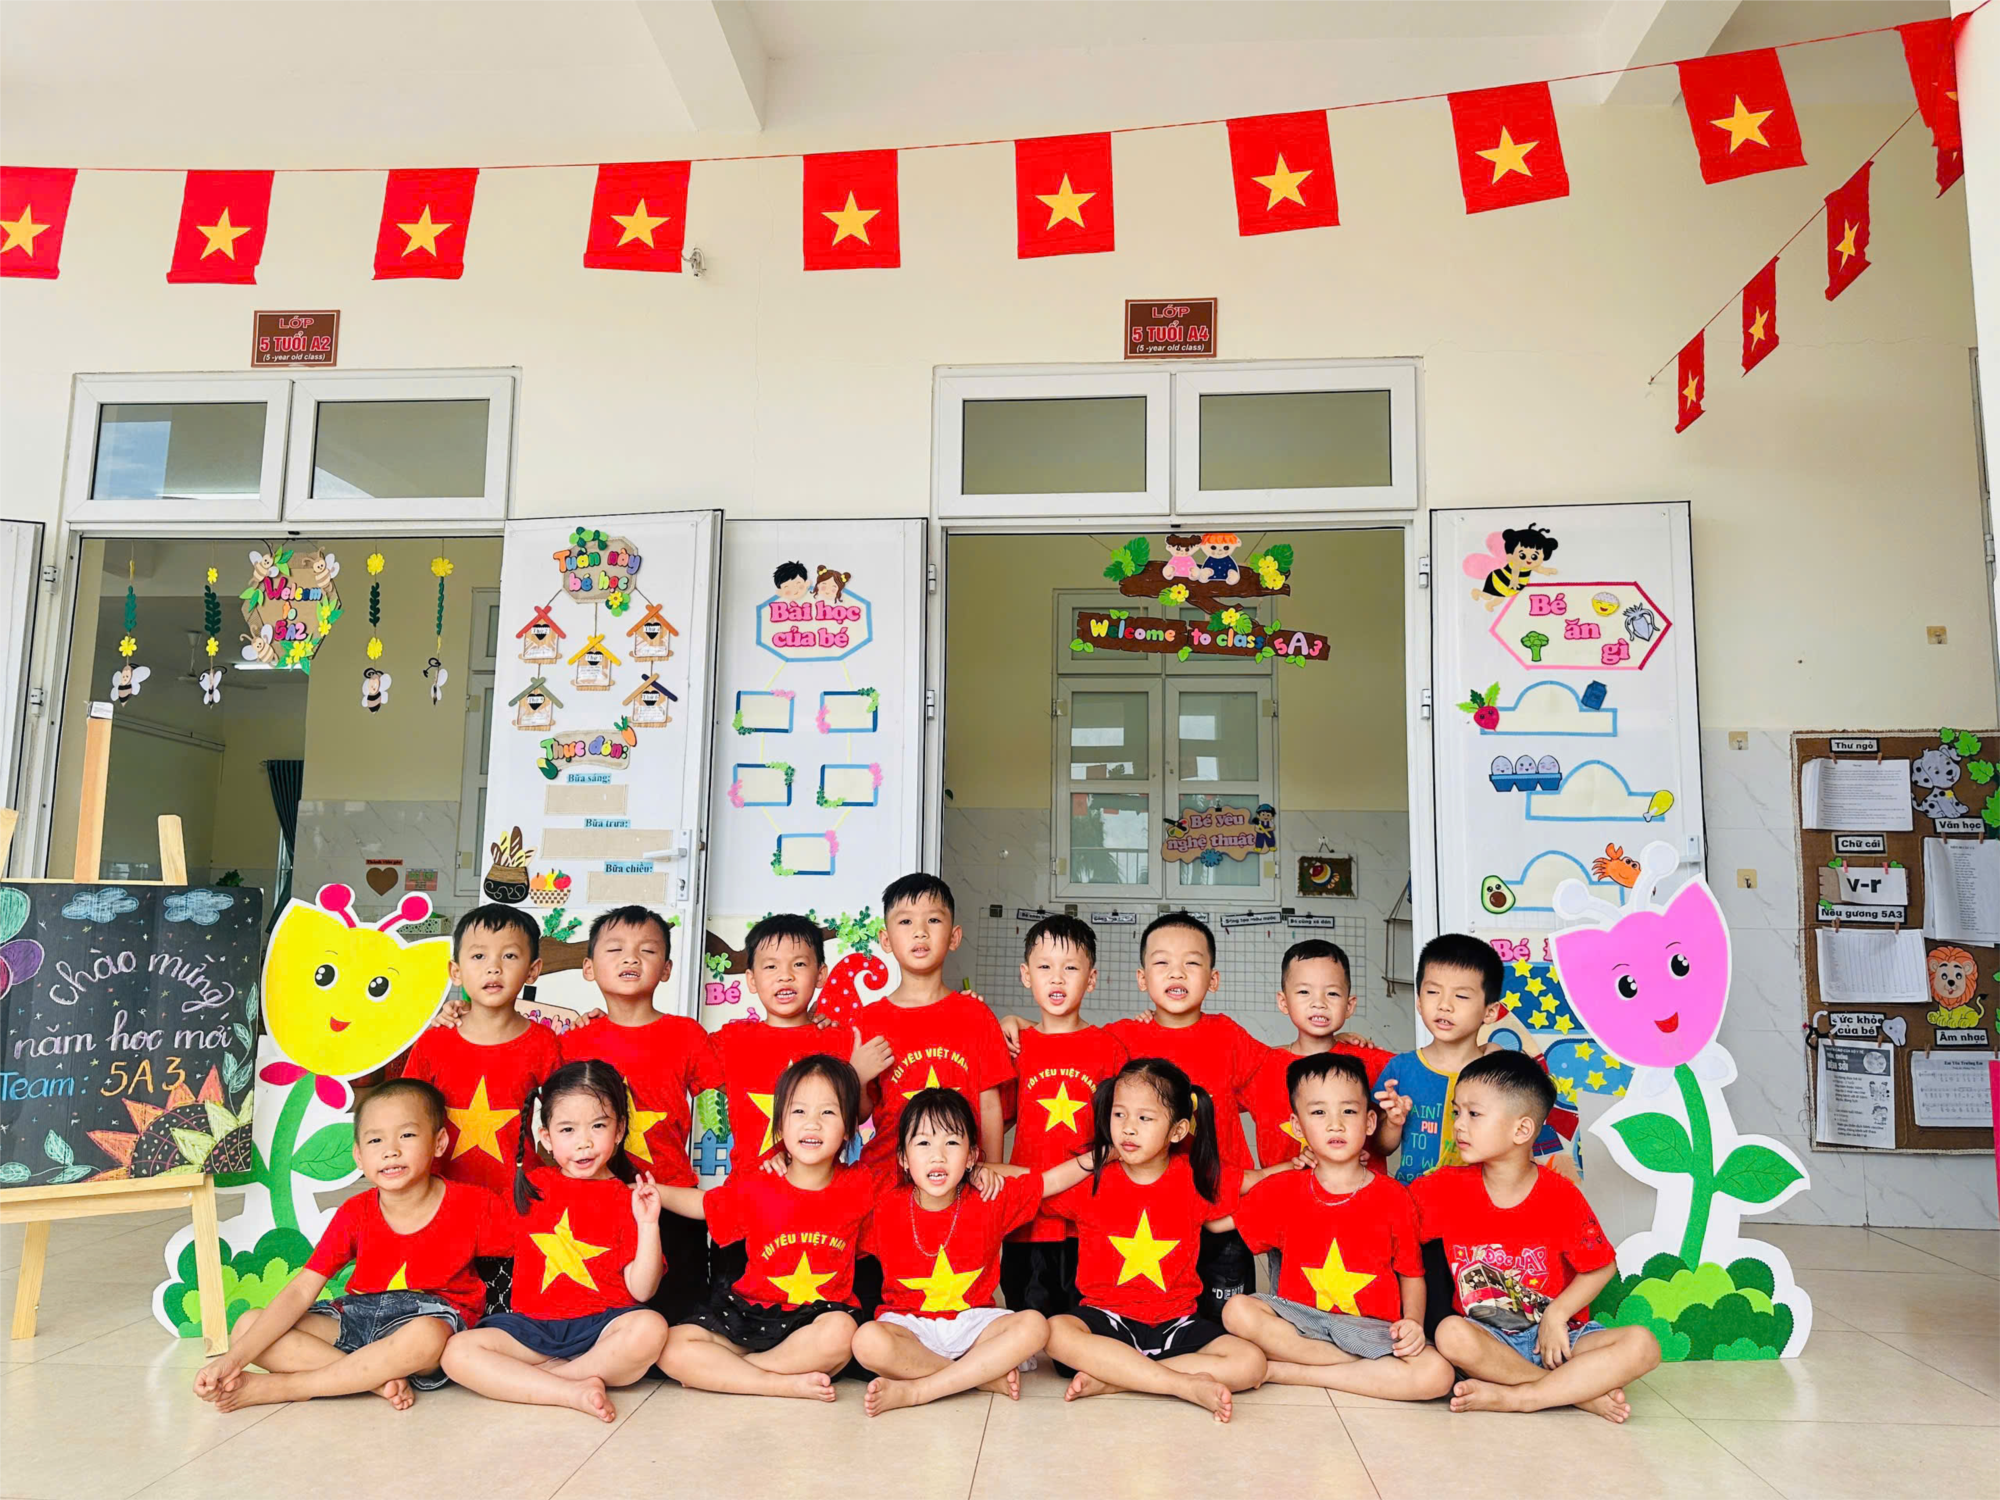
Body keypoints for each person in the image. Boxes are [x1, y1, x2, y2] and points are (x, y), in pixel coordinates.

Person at [192, 1078, 509, 1411]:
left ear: (439, 1142)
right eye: (375, 1140)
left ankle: (291, 1386)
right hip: (360, 1317)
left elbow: (530, 1244)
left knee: (426, 1336)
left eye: (407, 1135)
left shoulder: (473, 1204)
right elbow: (302, 1289)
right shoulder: (356, 1211)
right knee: (247, 1326)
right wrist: (233, 1359)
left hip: (429, 1326)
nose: (390, 1150)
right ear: (358, 1156)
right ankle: (374, 1380)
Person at [1415, 1051, 1660, 1422]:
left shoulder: (1561, 1196)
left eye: (1474, 1114)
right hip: (1486, 1340)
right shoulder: (1442, 1188)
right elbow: (1386, 1218)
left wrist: (1556, 1316)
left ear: (1522, 1130)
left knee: (1643, 1345)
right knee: (1450, 1334)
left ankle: (1522, 1397)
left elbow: (1602, 1267)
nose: (1459, 1125)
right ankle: (1571, 1392)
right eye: (1456, 1112)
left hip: (1558, 1339)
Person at [1042, 1059, 1283, 1423]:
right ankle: (1179, 1384)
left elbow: (1256, 1180)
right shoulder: (1093, 1180)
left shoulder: (1194, 1179)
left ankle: (1117, 1379)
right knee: (1054, 1333)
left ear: (1177, 1130)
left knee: (1251, 1362)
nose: (1128, 1128)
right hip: (1106, 1318)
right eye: (1119, 1114)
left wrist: (1300, 1167)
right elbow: (1031, 1187)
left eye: (1144, 1118)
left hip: (1176, 1321)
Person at [440, 1061, 670, 1422]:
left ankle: (547, 1381)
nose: (584, 1142)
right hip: (533, 1330)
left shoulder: (628, 1197)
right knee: (457, 1352)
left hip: (602, 1329)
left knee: (651, 1328)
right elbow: (475, 1232)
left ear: (620, 1129)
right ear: (546, 1137)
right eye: (567, 1129)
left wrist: (649, 1224)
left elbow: (642, 1291)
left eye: (598, 1126)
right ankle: (572, 1389)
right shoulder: (533, 1187)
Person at [1221, 1054, 1454, 1401]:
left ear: (1370, 1121)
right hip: (1300, 1321)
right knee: (1236, 1311)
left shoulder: (1394, 1197)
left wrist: (1414, 1323)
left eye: (1348, 1111)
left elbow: (1411, 1274)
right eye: (1318, 1112)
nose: (1335, 1124)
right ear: (1297, 1126)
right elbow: (1217, 1224)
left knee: (1437, 1374)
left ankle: (1291, 1372)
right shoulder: (1282, 1189)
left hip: (1371, 1328)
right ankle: (1362, 1368)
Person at [656, 1054, 872, 1401]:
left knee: (842, 1334)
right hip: (749, 1312)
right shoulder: (760, 1183)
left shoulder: (862, 1184)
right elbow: (704, 1204)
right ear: (780, 1127)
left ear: (848, 1128)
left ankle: (731, 1373)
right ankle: (777, 1382)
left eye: (828, 1113)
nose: (812, 1124)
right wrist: (653, 1192)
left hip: (816, 1319)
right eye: (799, 1111)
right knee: (671, 1346)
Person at [557, 905, 725, 1324]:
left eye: (647, 951)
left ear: (666, 970)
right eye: (615, 949)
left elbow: (718, 1113)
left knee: (681, 1316)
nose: (631, 958)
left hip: (672, 1199)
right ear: (589, 968)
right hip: (595, 1199)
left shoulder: (687, 1034)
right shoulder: (574, 1041)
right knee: (603, 1315)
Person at [1098, 911, 1267, 1323]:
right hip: (1150, 1213)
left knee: (1226, 1322)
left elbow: (1284, 1077)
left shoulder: (1228, 1036)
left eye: (1192, 962)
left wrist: (1336, 1045)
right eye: (1162, 962)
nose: (1177, 972)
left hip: (1219, 1206)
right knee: (1154, 1317)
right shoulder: (1122, 1037)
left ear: (1213, 979)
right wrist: (1017, 1024)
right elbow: (1066, 1042)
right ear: (1142, 979)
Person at [852, 1088, 1057, 1415]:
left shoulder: (987, 1197)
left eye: (951, 1143)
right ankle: (978, 1376)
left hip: (973, 1324)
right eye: (923, 1143)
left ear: (972, 1155)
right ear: (903, 1158)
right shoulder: (884, 1201)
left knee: (1035, 1325)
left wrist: (1098, 1158)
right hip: (910, 1326)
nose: (938, 1156)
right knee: (866, 1341)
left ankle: (920, 1389)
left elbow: (1047, 1181)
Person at [402, 904, 561, 1312]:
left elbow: (568, 1119)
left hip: (516, 1210)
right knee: (440, 1313)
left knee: (512, 1316)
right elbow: (404, 1120)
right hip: (441, 1209)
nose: (493, 967)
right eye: (478, 956)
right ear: (455, 972)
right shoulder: (434, 1043)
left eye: (509, 955)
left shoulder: (544, 1044)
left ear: (532, 970)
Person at [1000, 915, 1126, 1325]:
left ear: (1091, 979)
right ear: (1026, 975)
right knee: (1028, 1323)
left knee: (1081, 1327)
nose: (1057, 978)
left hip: (1087, 1219)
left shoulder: (1109, 1048)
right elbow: (997, 1120)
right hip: (1027, 1219)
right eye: (1045, 966)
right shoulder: (1016, 1047)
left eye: (1071, 967)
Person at [1243, 939, 1392, 1176]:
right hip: (1284, 1194)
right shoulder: (1261, 1067)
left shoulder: (1370, 1060)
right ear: (1283, 1002)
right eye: (1304, 992)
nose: (1319, 1003)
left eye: (1332, 993)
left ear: (1349, 1005)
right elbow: (1209, 1099)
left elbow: (1430, 1072)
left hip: (1360, 1195)